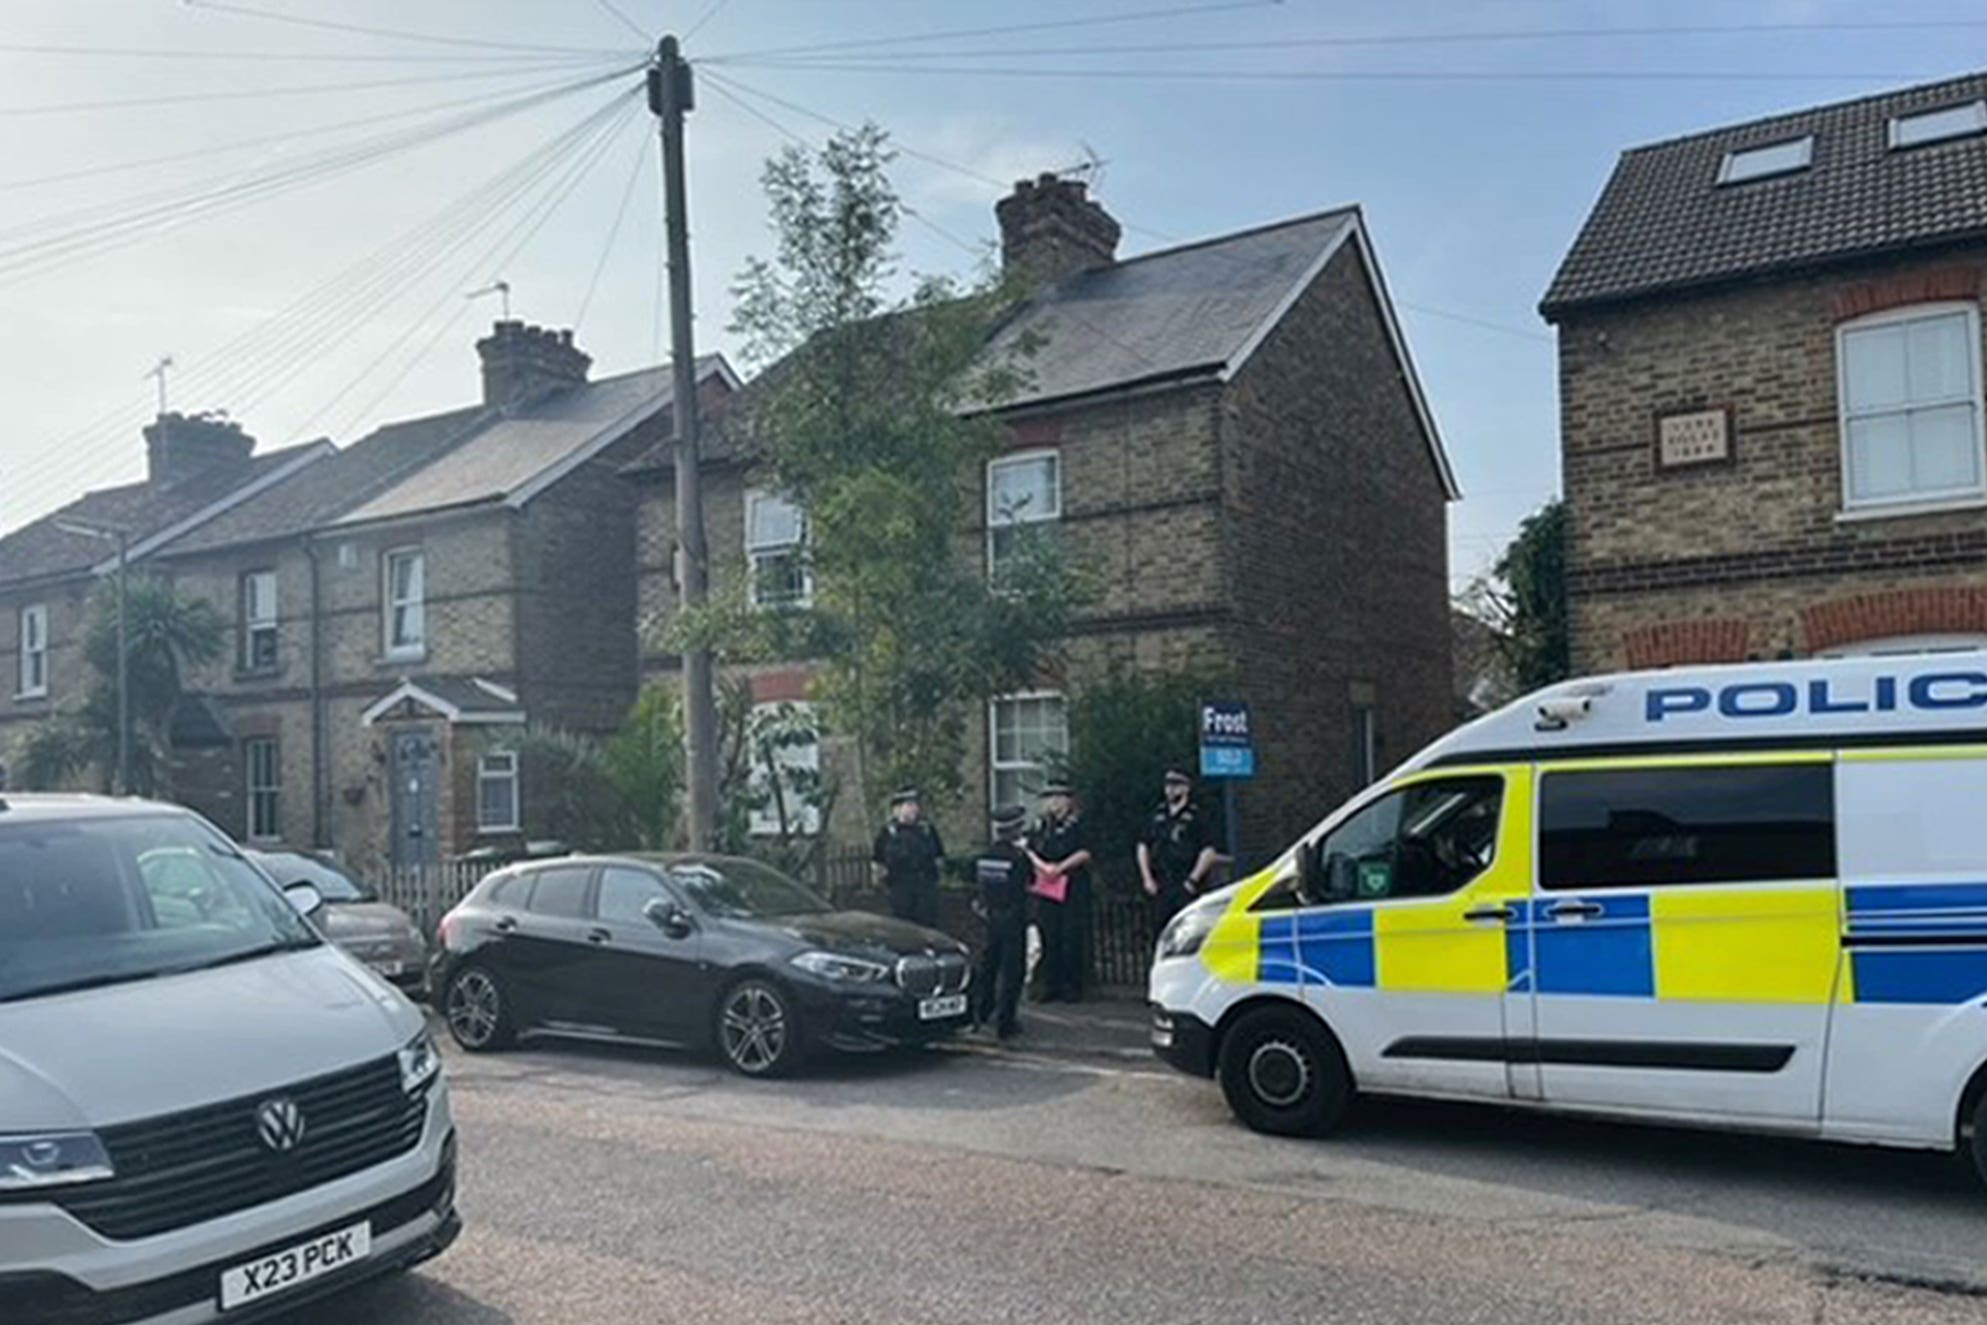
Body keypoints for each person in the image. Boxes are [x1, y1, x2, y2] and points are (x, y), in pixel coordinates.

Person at [1027, 782, 1094, 1003]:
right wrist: (1043, 867)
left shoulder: (1079, 824)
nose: (1053, 803)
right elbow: (1029, 849)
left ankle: (1072, 986)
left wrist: (1060, 867)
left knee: (1071, 936)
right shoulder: (1041, 825)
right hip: (1047, 886)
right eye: (1050, 798)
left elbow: (1085, 852)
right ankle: (1050, 985)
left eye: (1058, 797)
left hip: (1072, 884)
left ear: (1069, 800)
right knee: (1049, 935)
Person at [971, 804, 1031, 1039]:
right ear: (1015, 830)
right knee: (1012, 970)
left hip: (991, 917)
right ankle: (1006, 1022)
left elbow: (980, 886)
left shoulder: (985, 856)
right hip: (1014, 916)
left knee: (990, 966)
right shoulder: (1018, 857)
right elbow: (1030, 880)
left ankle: (983, 1011)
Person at [1138, 767, 1218, 929]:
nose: (1170, 789)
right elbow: (1143, 845)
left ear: (1186, 787)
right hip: (1161, 882)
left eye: (1175, 785)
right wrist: (1147, 878)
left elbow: (1208, 851)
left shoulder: (1197, 816)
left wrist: (1192, 880)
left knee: (1188, 929)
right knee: (1162, 929)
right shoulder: (1157, 815)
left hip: (1184, 881)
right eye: (1167, 785)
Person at [872, 788, 944, 929]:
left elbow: (938, 858)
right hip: (900, 890)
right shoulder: (888, 833)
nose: (914, 809)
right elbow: (878, 862)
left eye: (915, 805)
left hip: (925, 890)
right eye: (909, 805)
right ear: (897, 809)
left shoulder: (926, 830)